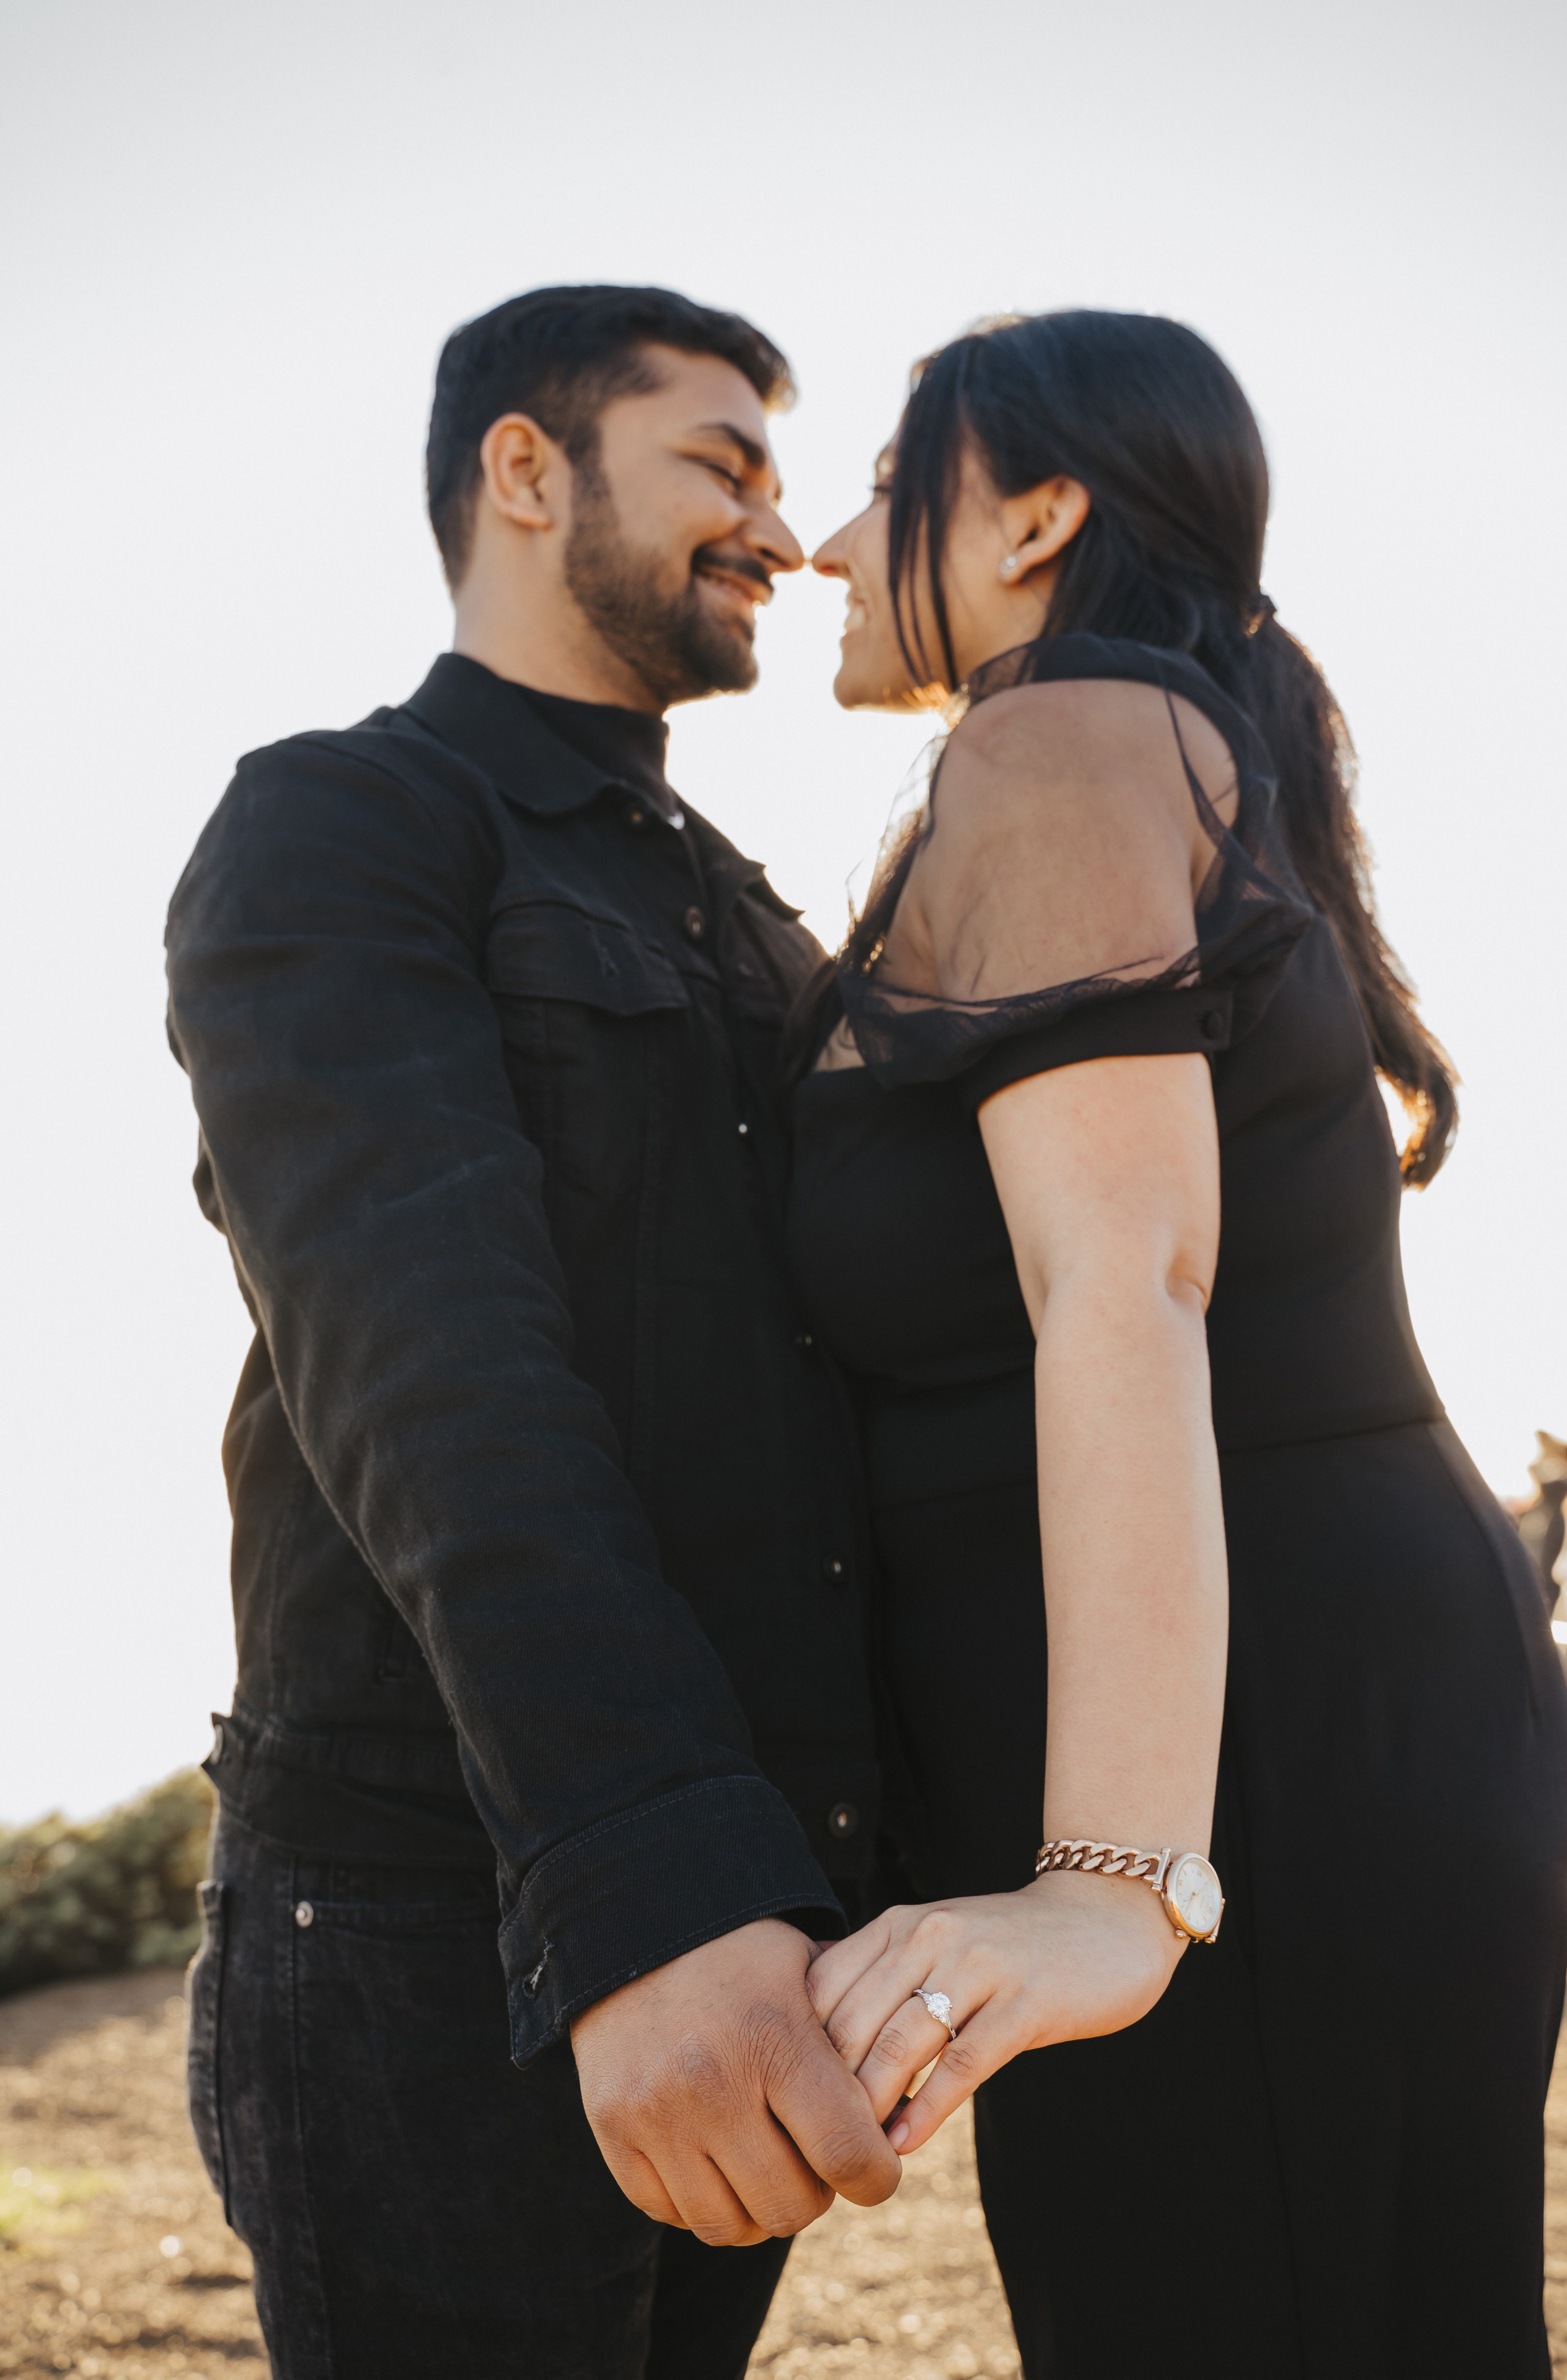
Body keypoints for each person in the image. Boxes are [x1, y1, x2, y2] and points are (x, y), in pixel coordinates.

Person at [785, 309, 1567, 2378]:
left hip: (1252, 1771)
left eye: (883, 487)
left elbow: (1124, 1281)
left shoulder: (1053, 743)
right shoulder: (1164, 742)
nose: (825, 545)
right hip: (1318, 1723)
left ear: (1036, 520)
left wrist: (1113, 1883)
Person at [165, 284, 899, 2380]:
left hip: (759, 1911)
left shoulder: (751, 911)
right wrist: (646, 1888)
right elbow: (432, 1371)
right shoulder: (345, 823)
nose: (782, 530)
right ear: (523, 468)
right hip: (440, 1917)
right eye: (723, 466)